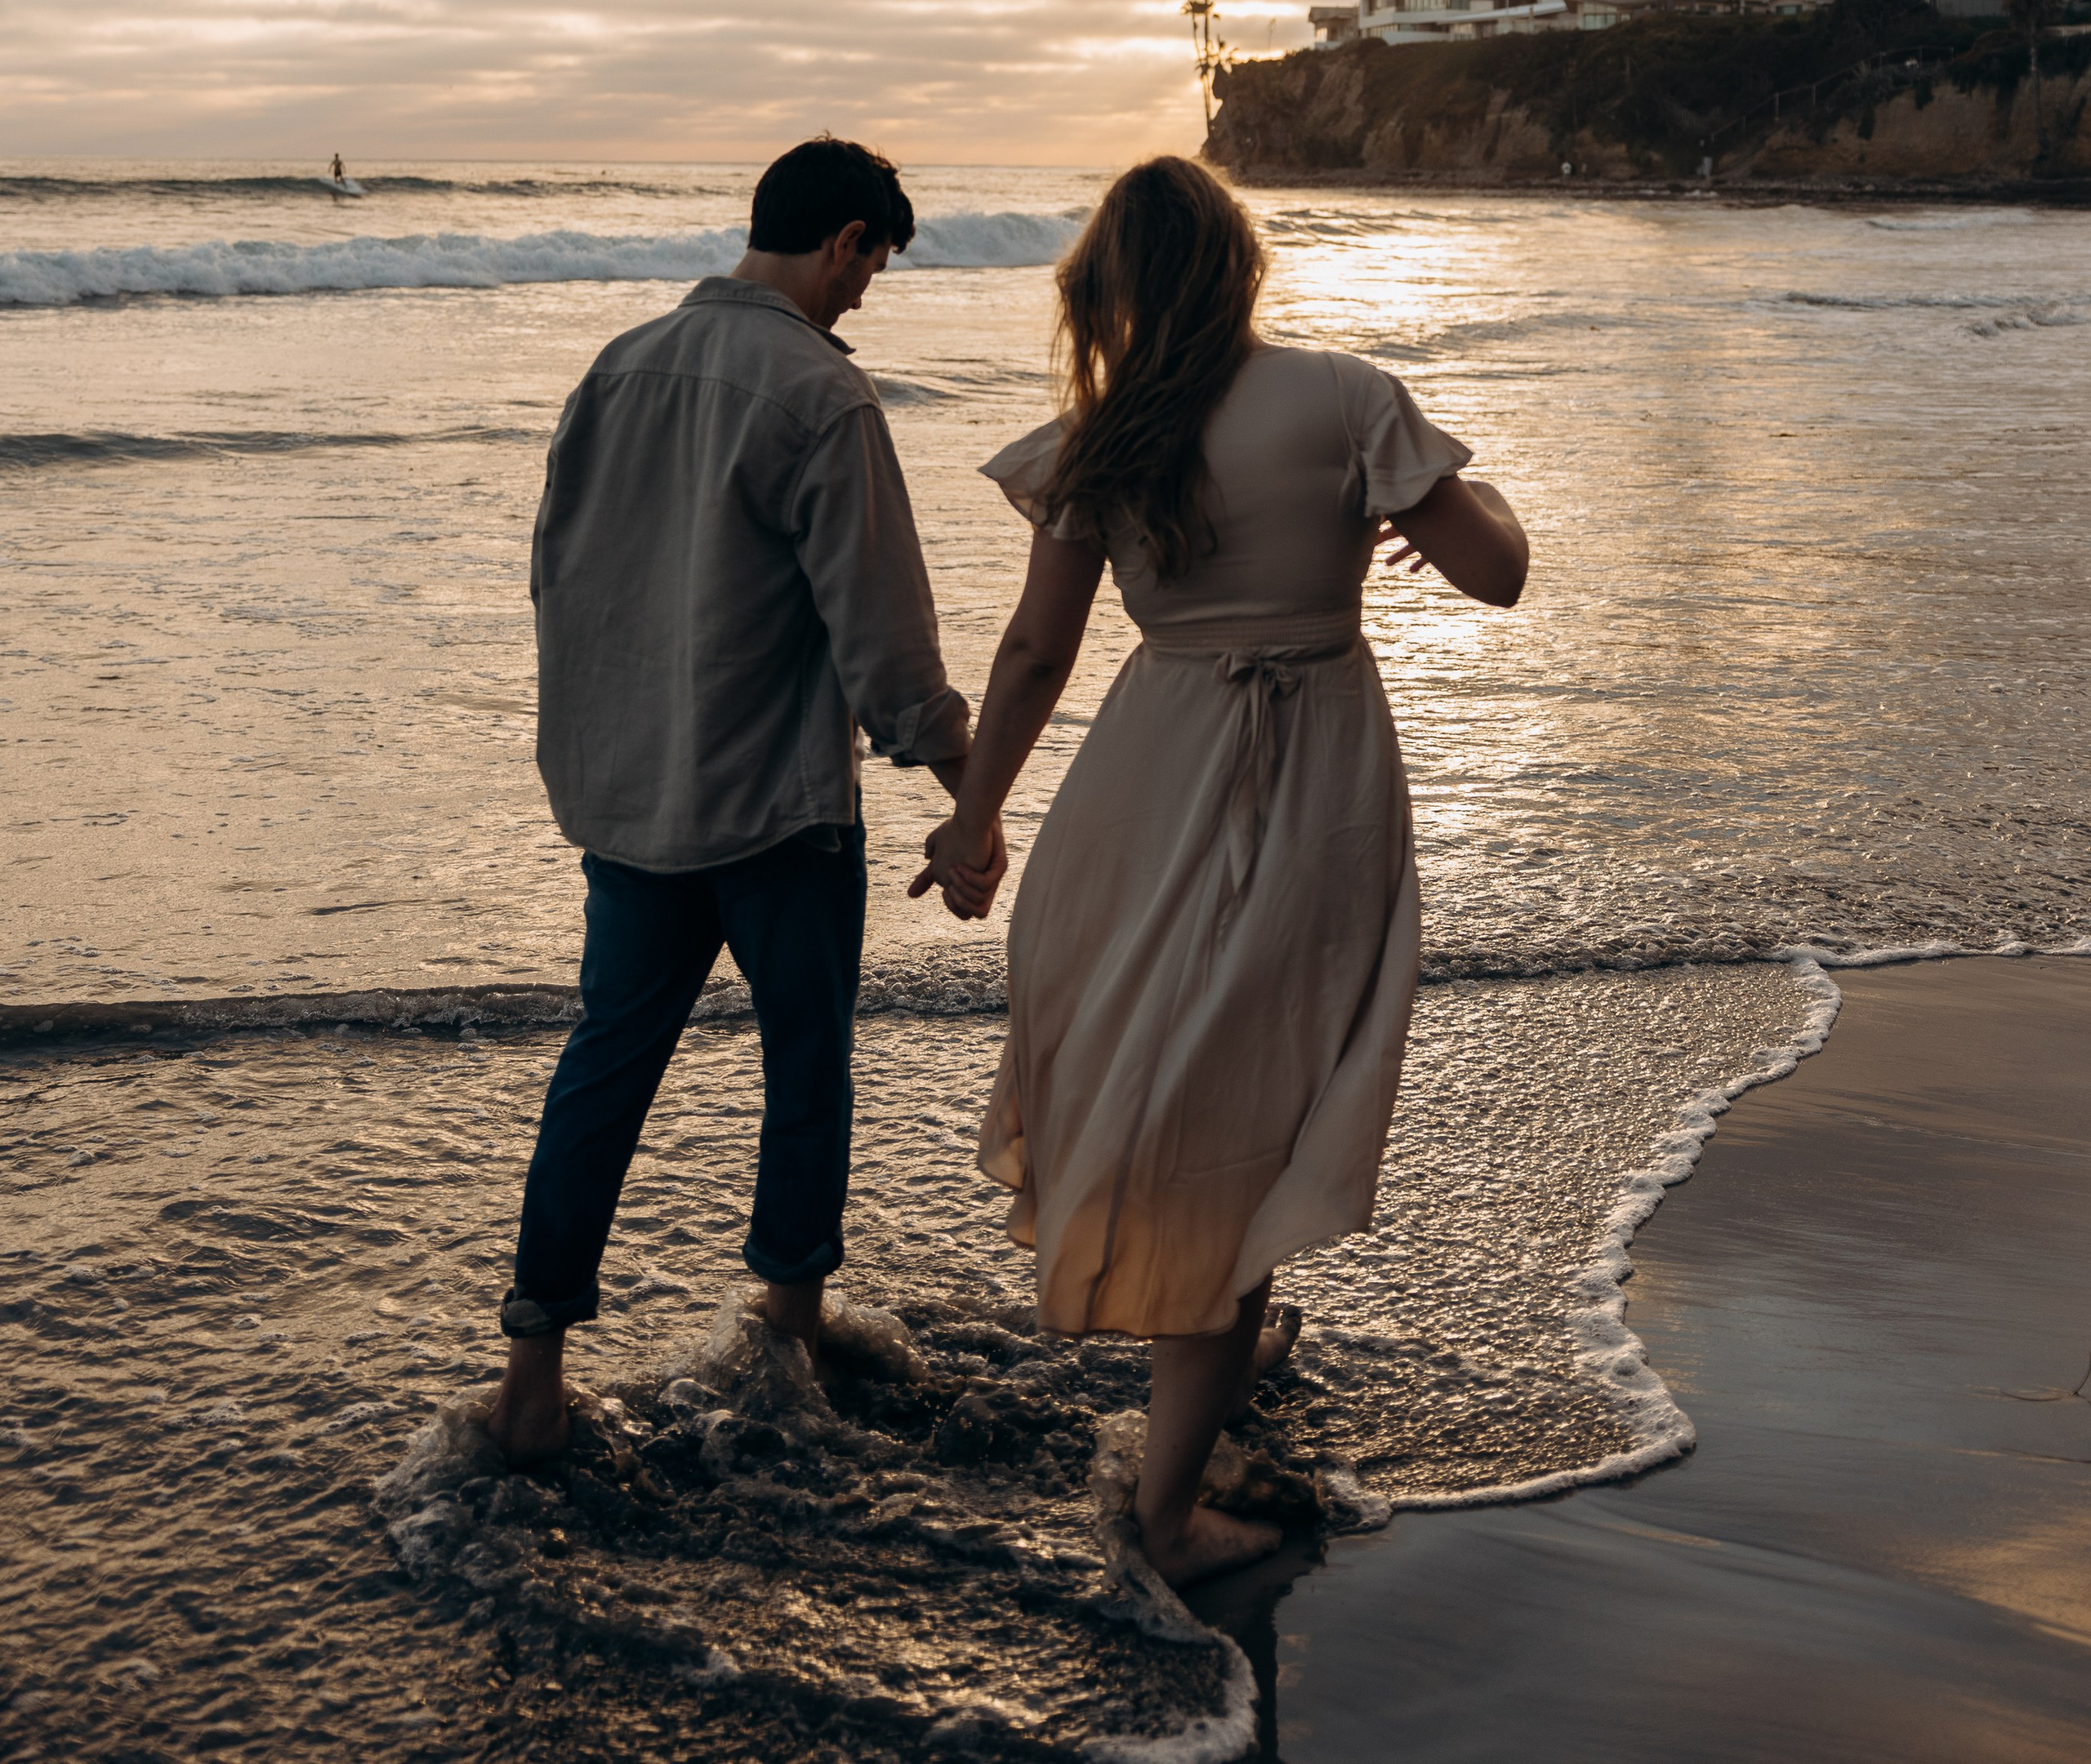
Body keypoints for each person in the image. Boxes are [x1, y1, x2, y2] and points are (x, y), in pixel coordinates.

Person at [912, 156, 1527, 1586]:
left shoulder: (1105, 435)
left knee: (1165, 1061)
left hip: (1147, 771)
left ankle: (1208, 1336)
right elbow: (1496, 573)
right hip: (1313, 775)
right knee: (1263, 1080)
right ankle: (1169, 1512)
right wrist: (1449, 486)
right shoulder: (1344, 396)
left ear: (1110, 288)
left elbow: (1035, 653)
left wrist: (976, 819)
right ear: (1239, 269)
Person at [486, 136, 1002, 1464]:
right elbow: (888, 649)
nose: (866, 294)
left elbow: (562, 580)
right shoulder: (821, 395)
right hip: (777, 810)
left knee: (603, 1071)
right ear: (843, 240)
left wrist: (591, 759)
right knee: (805, 1072)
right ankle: (786, 1337)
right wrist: (975, 797)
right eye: (872, 264)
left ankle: (533, 1380)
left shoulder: (619, 364)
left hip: (634, 807)